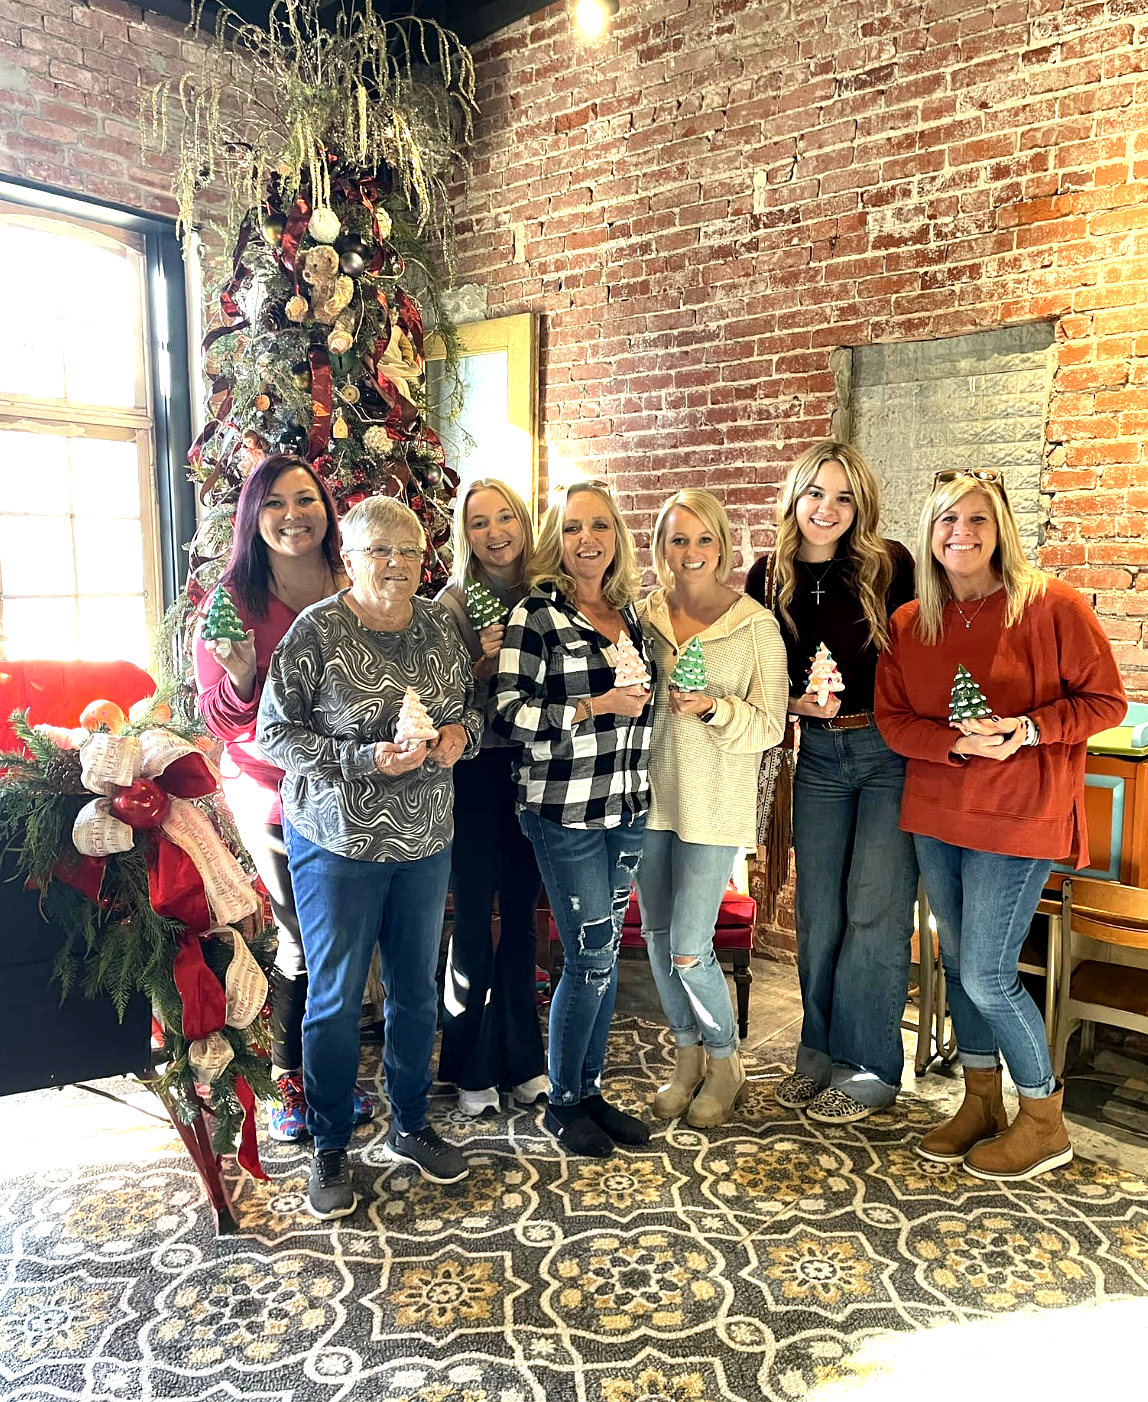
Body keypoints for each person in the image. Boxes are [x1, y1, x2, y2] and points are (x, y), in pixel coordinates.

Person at [875, 469, 1125, 1180]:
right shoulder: (909, 622)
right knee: (958, 966)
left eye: (978, 518)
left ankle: (1043, 1120)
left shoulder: (1052, 605)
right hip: (937, 814)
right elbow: (895, 721)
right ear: (930, 531)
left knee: (988, 975)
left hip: (1019, 816)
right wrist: (954, 743)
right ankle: (981, 1101)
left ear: (1002, 528)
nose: (962, 532)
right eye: (947, 519)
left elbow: (1106, 701)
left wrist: (1029, 728)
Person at [257, 495, 483, 1219]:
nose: (397, 563)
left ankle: (411, 1124)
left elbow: (469, 711)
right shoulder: (317, 631)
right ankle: (329, 1145)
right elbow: (274, 734)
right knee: (335, 997)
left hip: (425, 840)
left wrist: (459, 737)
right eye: (380, 550)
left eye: (410, 550)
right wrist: (363, 759)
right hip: (338, 843)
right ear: (349, 560)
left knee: (416, 990)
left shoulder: (439, 628)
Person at [193, 453, 375, 1142]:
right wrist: (243, 678)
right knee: (304, 936)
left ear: (327, 510)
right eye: (274, 503)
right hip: (273, 796)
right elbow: (221, 719)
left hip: (358, 787)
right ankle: (292, 1080)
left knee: (348, 938)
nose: (292, 516)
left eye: (305, 500)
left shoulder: (354, 581)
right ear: (252, 517)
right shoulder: (231, 605)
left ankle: (333, 1071)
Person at [746, 441, 917, 1123]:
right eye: (816, 493)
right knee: (818, 913)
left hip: (886, 753)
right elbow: (756, 676)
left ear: (861, 506)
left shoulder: (890, 565)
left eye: (844, 497)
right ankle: (816, 1053)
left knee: (875, 911)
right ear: (795, 497)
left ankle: (869, 1065)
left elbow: (923, 652)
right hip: (815, 756)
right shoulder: (768, 576)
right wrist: (795, 704)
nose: (828, 508)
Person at [494, 480, 654, 1158]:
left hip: (627, 805)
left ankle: (588, 1091)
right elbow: (510, 714)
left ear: (617, 536)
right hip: (564, 811)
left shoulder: (630, 615)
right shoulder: (537, 614)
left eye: (600, 526)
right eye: (572, 527)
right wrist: (597, 706)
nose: (587, 539)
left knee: (604, 956)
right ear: (555, 539)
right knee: (589, 957)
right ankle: (562, 1103)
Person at [636, 489, 788, 1126]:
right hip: (647, 798)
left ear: (723, 546)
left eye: (704, 539)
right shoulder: (643, 615)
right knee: (656, 936)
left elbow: (772, 725)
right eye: (678, 539)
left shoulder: (755, 626)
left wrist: (714, 709)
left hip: (715, 801)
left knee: (690, 946)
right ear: (661, 548)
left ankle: (726, 1061)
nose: (691, 552)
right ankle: (687, 1054)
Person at [435, 478, 548, 1115]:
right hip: (474, 771)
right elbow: (436, 701)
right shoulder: (451, 604)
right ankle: (469, 1065)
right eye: (479, 523)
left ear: (523, 524)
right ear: (465, 534)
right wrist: (478, 668)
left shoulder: (548, 593)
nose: (495, 533)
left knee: (524, 916)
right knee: (474, 915)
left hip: (537, 768)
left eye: (505, 518)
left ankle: (524, 1059)